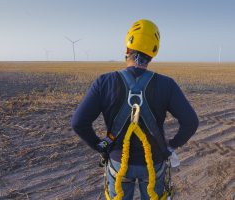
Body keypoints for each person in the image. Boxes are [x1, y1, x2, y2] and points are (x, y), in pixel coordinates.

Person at [71, 19, 199, 200]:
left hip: (117, 162)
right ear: (153, 53)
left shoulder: (104, 82)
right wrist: (171, 145)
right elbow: (191, 122)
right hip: (154, 162)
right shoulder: (167, 84)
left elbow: (78, 123)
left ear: (127, 49)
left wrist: (101, 147)